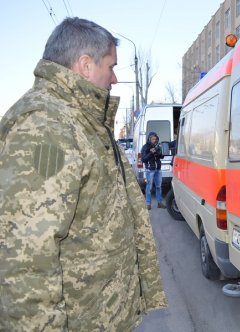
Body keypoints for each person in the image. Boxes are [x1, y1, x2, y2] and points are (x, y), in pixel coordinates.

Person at [0, 18, 166, 331]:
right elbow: (24, 259)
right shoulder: (47, 126)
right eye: (111, 66)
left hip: (100, 314)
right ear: (86, 65)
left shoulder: (79, 119)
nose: (114, 78)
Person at [141, 131, 166, 210]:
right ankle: (148, 204)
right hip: (149, 170)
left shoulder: (157, 146)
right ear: (149, 139)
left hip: (158, 170)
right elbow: (143, 159)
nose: (154, 140)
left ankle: (159, 203)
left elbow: (162, 156)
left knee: (158, 187)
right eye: (152, 139)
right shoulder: (145, 147)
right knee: (149, 187)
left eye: (155, 139)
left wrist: (157, 152)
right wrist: (151, 153)